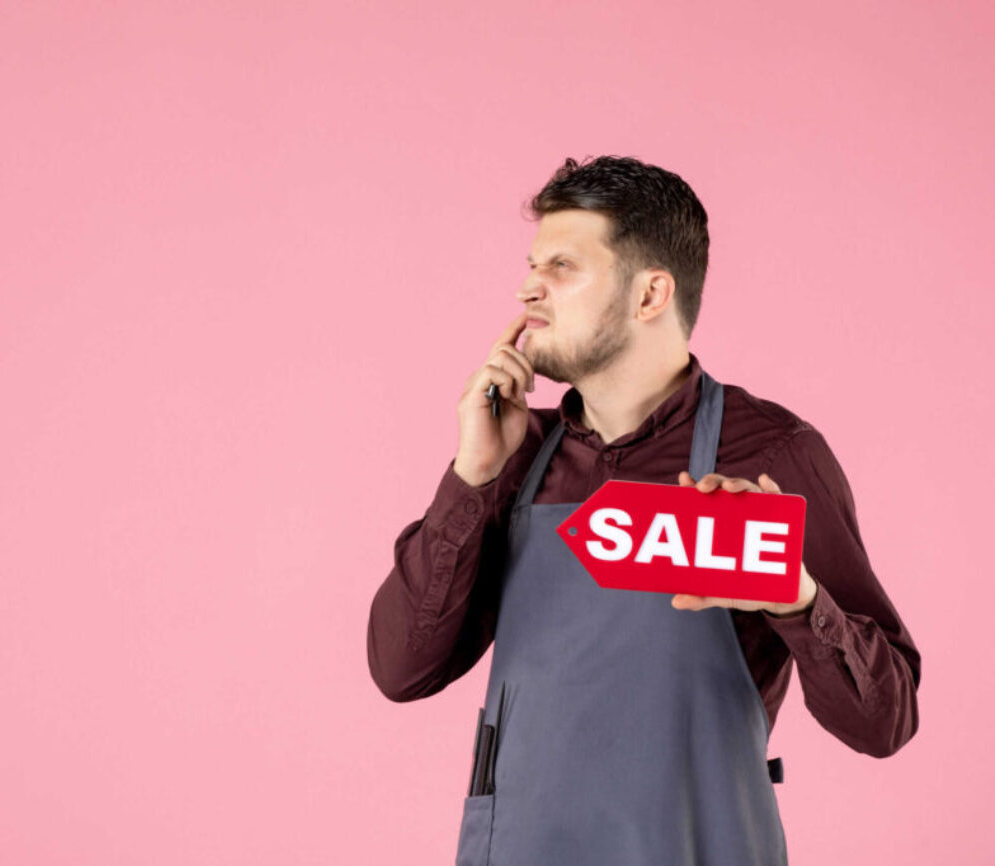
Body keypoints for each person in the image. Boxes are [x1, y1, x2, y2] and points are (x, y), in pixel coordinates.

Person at [365, 155, 921, 866]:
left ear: (651, 293)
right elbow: (401, 670)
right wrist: (472, 476)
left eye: (562, 267)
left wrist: (795, 597)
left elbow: (886, 720)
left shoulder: (772, 457)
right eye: (534, 265)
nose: (528, 289)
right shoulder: (516, 455)